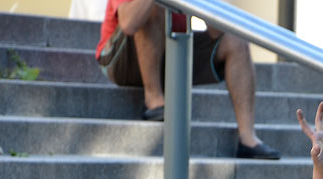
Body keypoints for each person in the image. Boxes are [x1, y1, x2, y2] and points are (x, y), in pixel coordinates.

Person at [95, 0, 280, 159]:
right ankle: (154, 100)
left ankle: (248, 138)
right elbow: (128, 24)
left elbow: (216, 32)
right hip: (120, 58)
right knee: (154, 7)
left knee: (235, 41)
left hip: (172, 51)